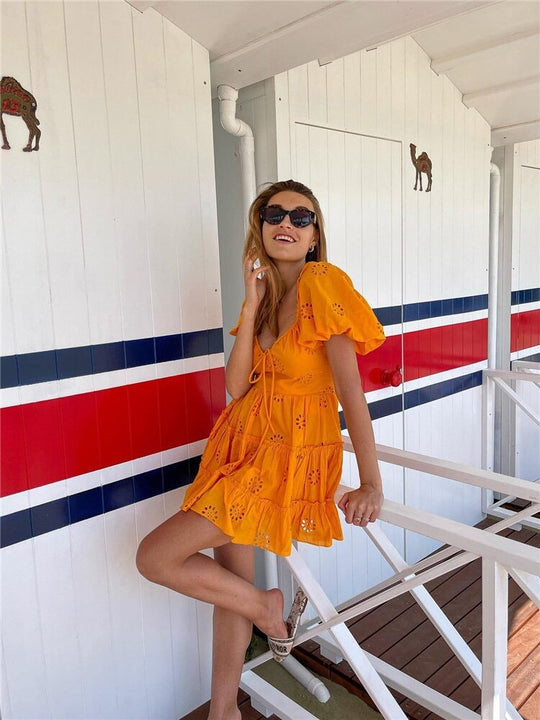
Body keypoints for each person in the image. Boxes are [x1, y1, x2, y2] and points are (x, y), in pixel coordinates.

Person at [136, 179, 386, 720]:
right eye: (275, 215)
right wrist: (250, 307)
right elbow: (237, 387)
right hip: (239, 451)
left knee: (154, 557)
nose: (286, 224)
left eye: (301, 217)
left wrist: (371, 481)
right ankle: (224, 710)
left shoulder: (322, 282)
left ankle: (265, 607)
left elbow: (351, 392)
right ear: (261, 226)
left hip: (282, 460)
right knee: (230, 585)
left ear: (315, 235)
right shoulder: (267, 295)